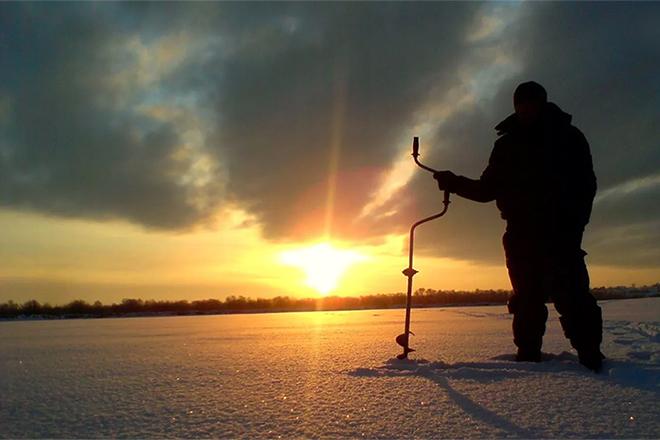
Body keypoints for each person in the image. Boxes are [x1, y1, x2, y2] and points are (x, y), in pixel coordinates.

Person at [434, 81, 604, 372]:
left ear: (542, 103)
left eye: (531, 102)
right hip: (521, 236)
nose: (525, 108)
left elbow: (586, 187)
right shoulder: (506, 144)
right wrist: (454, 182)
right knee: (526, 301)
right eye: (520, 104)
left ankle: (591, 357)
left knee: (574, 297)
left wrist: (574, 226)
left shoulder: (569, 137)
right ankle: (528, 361)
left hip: (561, 234)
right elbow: (487, 190)